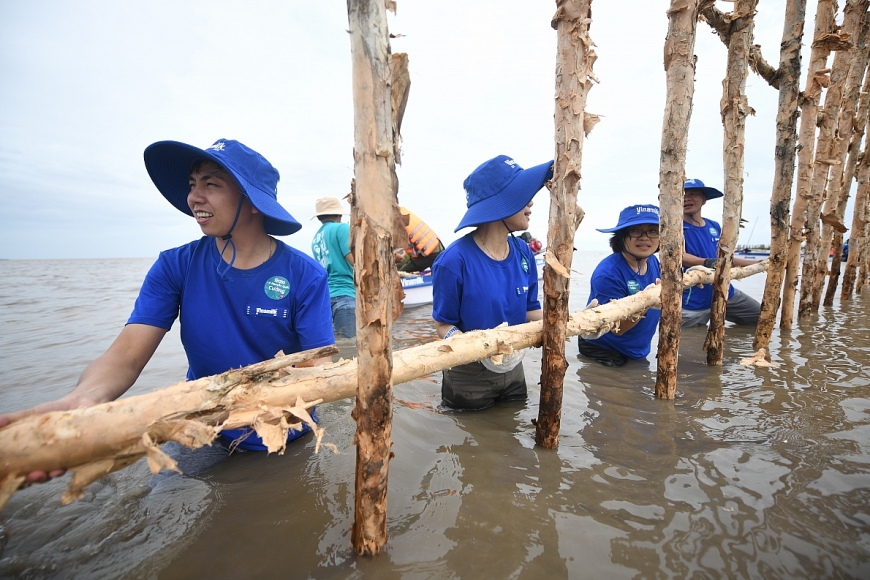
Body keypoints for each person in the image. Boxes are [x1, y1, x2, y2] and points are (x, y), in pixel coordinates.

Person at [1, 138, 335, 484]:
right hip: (204, 425)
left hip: (282, 433)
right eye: (192, 184)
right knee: (163, 502)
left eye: (211, 184)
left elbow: (318, 369)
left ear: (252, 201)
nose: (194, 197)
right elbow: (127, 355)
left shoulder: (304, 275)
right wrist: (81, 401)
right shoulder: (176, 265)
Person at [432, 155, 551, 410]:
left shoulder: (524, 252)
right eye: (523, 195)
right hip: (469, 376)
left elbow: (531, 310)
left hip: (513, 366)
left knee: (513, 432)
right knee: (474, 444)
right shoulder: (453, 261)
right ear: (500, 204)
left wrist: (565, 323)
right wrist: (464, 345)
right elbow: (443, 323)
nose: (531, 202)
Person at [578, 204, 662, 367]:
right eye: (635, 231)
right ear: (621, 237)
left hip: (637, 348)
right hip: (604, 349)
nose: (645, 238)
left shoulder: (653, 261)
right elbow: (617, 329)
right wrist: (647, 300)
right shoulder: (608, 274)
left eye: (653, 231)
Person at [682, 178, 761, 327]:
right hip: (693, 301)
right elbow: (680, 256)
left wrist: (759, 263)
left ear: (704, 199)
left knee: (759, 316)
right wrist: (706, 262)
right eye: (683, 195)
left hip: (725, 292)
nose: (687, 198)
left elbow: (726, 258)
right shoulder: (675, 227)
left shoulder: (714, 225)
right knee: (689, 344)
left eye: (693, 194)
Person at [311, 196, 356, 339]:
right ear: (339, 214)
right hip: (345, 294)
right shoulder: (341, 228)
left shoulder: (316, 237)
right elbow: (355, 261)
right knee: (351, 347)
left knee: (337, 347)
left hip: (326, 298)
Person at [394, 206, 445, 272]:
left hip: (428, 254)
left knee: (399, 274)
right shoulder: (400, 211)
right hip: (437, 247)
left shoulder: (394, 220)